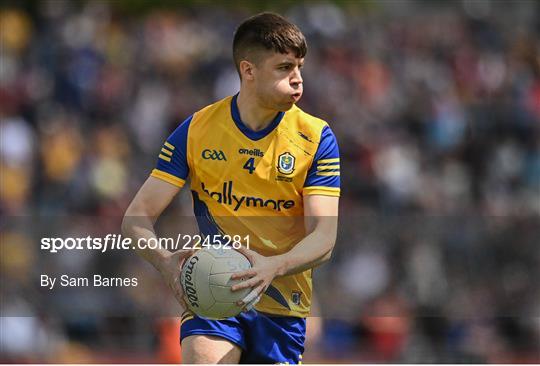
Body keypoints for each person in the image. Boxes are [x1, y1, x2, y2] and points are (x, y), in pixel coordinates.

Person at [122, 12, 340, 364]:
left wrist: (275, 266)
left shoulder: (316, 139)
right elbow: (135, 218)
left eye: (299, 67)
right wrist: (163, 262)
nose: (297, 80)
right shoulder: (197, 130)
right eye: (284, 68)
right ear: (248, 71)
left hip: (282, 307)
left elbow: (324, 237)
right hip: (213, 291)